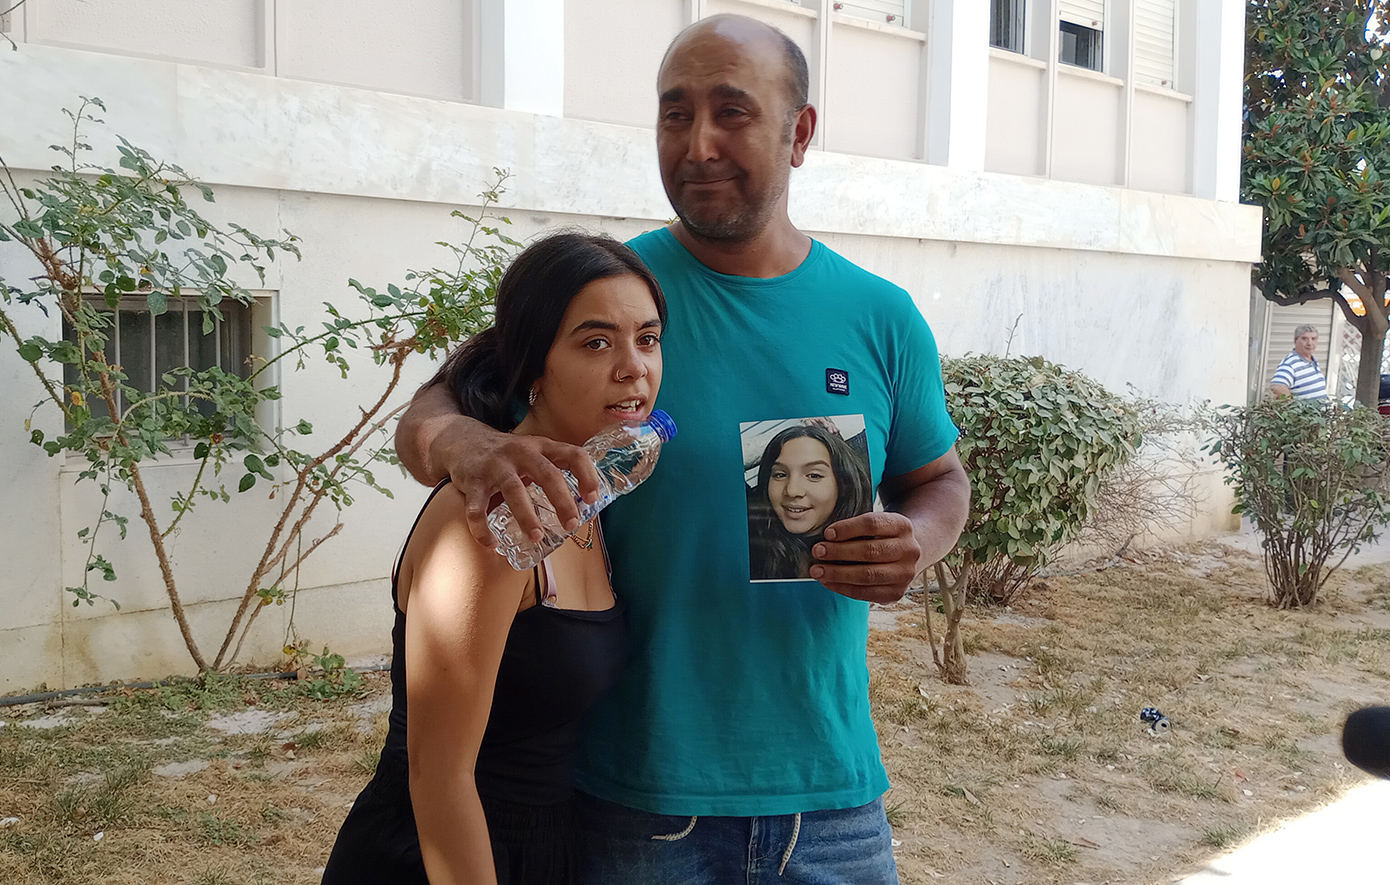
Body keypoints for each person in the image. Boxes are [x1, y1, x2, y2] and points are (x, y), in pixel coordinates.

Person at [394, 13, 970, 885]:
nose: (698, 144)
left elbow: (940, 478)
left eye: (732, 112)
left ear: (800, 133)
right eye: (674, 114)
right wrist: (469, 444)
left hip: (832, 802)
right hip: (637, 805)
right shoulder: (616, 296)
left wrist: (918, 539)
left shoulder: (880, 317)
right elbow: (442, 405)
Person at [322, 232, 667, 885]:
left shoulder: (589, 497)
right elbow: (438, 777)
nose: (634, 367)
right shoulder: (489, 519)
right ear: (534, 369)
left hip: (541, 849)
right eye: (596, 343)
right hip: (443, 858)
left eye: (647, 339)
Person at [749, 423, 873, 580]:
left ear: (843, 484)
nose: (792, 491)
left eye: (814, 475)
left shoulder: (868, 551)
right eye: (780, 474)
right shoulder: (753, 548)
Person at [1270, 324, 1328, 400]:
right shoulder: (1290, 364)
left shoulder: (1312, 361)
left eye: (1313, 339)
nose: (1309, 343)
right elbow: (1277, 387)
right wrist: (1292, 405)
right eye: (1304, 339)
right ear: (1295, 341)